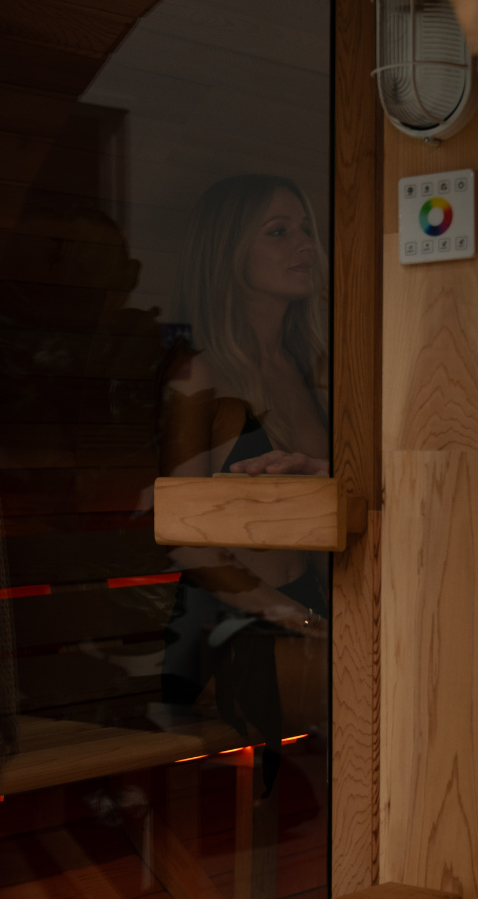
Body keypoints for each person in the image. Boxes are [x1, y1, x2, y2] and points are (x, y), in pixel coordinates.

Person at [157, 174, 330, 795]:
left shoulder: (312, 366)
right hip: (233, 626)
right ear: (229, 253)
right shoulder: (200, 376)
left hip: (314, 607)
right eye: (279, 232)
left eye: (307, 229)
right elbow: (185, 539)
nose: (305, 244)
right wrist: (293, 617)